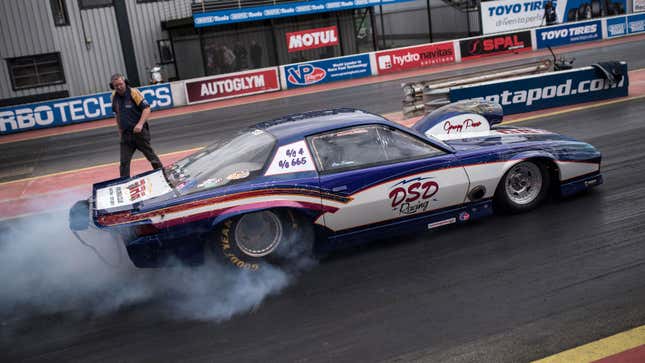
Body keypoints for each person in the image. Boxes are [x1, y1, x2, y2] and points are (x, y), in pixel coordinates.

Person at [110, 73, 163, 178]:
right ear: (113, 86)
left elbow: (147, 109)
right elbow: (117, 114)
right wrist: (120, 131)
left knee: (152, 158)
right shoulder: (113, 96)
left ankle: (163, 176)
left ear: (125, 82)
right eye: (116, 86)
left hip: (139, 134)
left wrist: (140, 124)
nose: (119, 87)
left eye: (121, 84)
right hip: (126, 136)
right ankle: (124, 183)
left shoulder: (134, 93)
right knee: (124, 163)